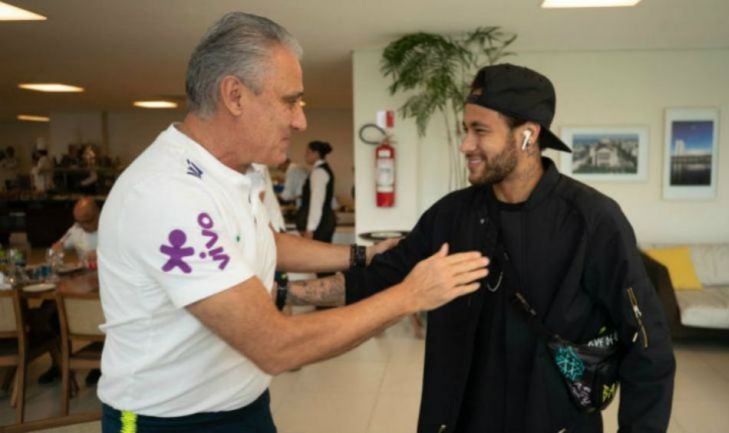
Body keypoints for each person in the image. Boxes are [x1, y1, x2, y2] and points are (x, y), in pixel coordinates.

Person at [96, 12, 487, 433]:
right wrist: (410, 296)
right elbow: (275, 345)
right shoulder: (166, 194)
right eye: (290, 100)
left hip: (244, 403)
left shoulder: (239, 172)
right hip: (167, 420)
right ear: (235, 95)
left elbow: (265, 241)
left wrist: (361, 254)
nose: (300, 120)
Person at [286, 64, 676, 433]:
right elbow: (377, 280)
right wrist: (285, 292)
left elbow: (647, 343)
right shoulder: (451, 216)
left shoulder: (592, 221)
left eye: (479, 131)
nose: (465, 145)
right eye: (464, 129)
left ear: (528, 135)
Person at [37, 196, 101, 385]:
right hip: (81, 286)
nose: (83, 226)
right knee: (50, 312)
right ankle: (59, 363)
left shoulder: (112, 226)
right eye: (79, 222)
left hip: (104, 288)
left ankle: (99, 364)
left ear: (98, 214)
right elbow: (58, 247)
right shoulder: (76, 229)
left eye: (87, 221)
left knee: (96, 317)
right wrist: (56, 251)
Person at [296, 140, 335, 244]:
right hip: (323, 222)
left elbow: (316, 202)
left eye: (308, 152)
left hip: (319, 225)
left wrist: (310, 229)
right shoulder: (322, 170)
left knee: (318, 258)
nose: (305, 155)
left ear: (316, 154)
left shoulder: (319, 172)